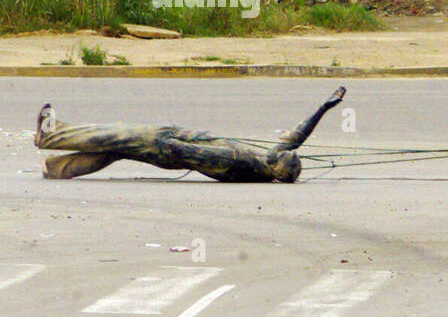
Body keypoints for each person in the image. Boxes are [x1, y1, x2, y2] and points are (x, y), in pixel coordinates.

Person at [35, 87, 346, 183]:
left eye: (284, 156)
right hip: (171, 144)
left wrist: (167, 142)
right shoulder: (265, 164)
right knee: (114, 150)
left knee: (112, 136)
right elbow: (295, 138)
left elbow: (201, 156)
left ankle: (51, 135)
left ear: (279, 169)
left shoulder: (242, 162)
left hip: (167, 145)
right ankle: (57, 168)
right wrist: (324, 108)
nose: (282, 149)